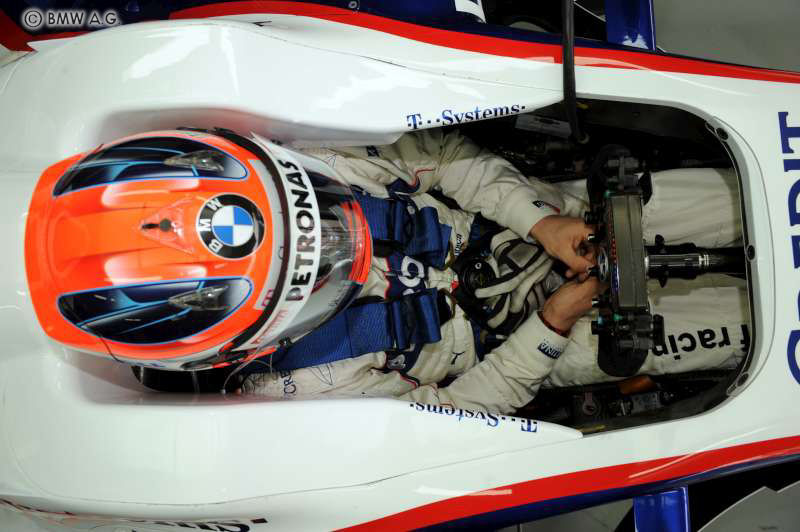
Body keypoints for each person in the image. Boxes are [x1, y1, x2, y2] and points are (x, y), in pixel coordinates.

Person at [238, 129, 749, 413]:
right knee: (754, 330)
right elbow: (457, 415)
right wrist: (552, 324)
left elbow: (444, 155)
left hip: (542, 223)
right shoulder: (293, 389)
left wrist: (541, 222)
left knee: (753, 199)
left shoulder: (311, 161)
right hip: (532, 345)